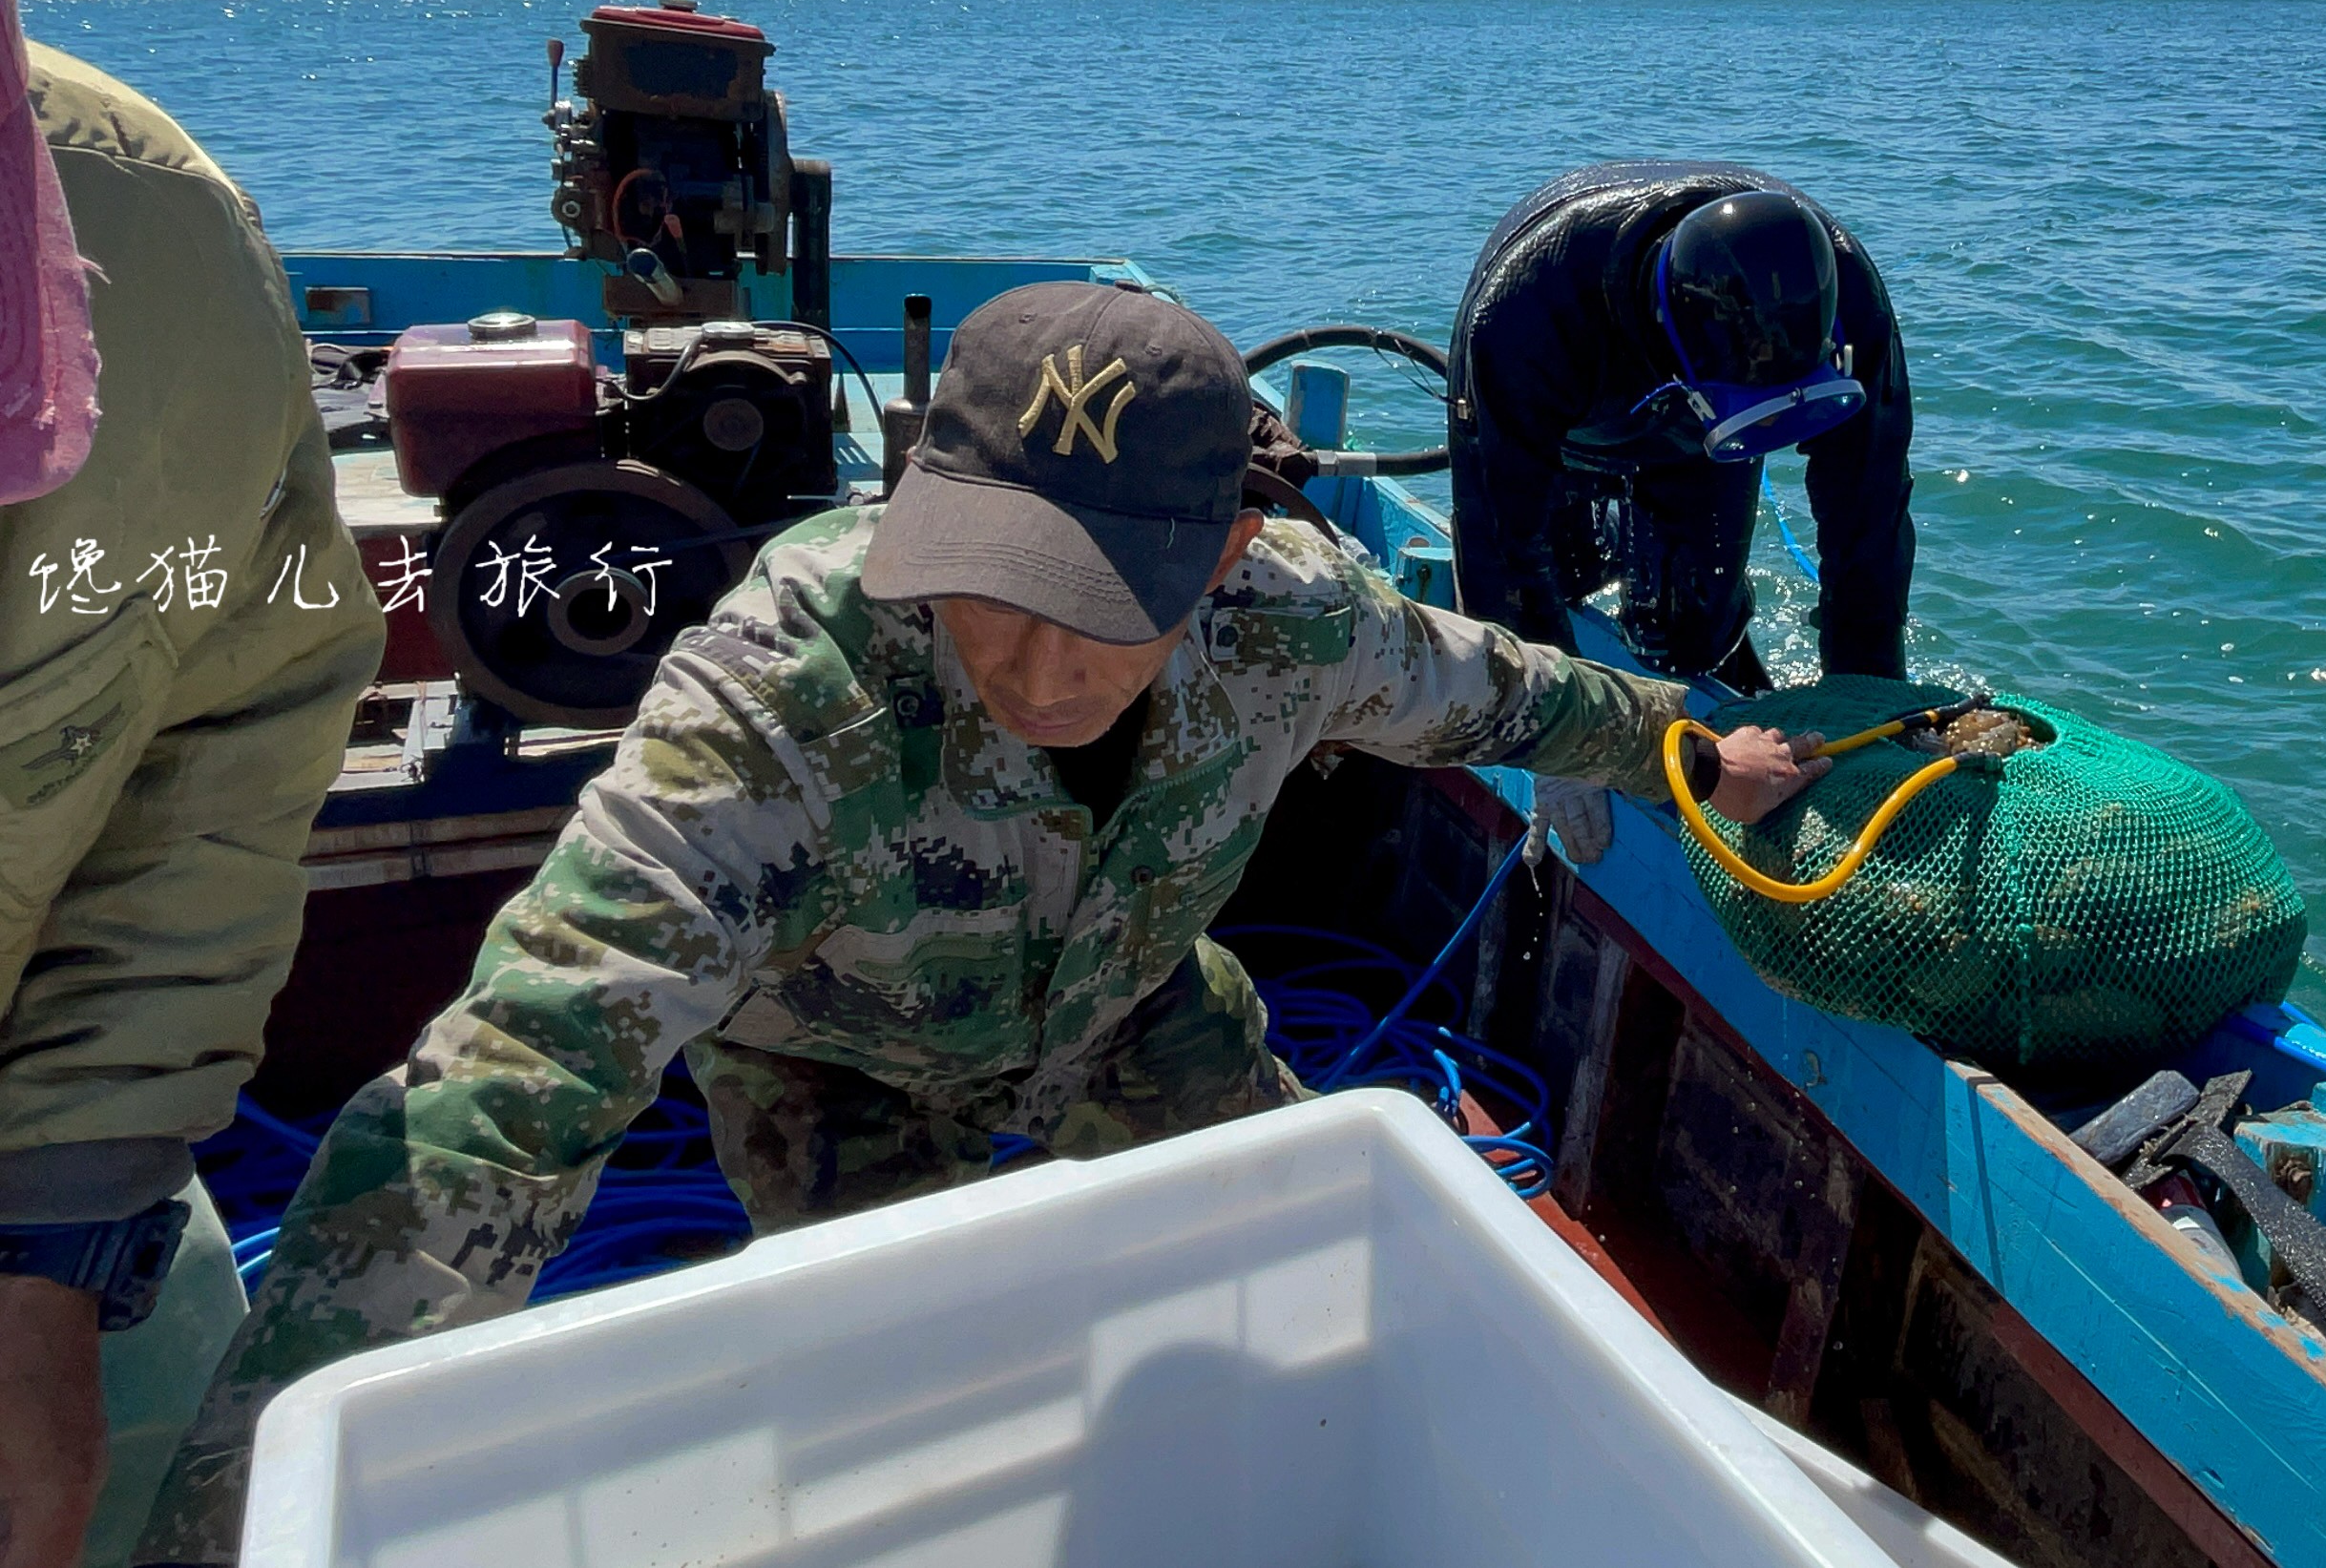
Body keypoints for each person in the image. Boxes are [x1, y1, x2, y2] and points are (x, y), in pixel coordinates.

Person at [139, 280, 1826, 1561]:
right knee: (893, 1431)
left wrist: (1693, 747)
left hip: (1136, 1010)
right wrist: (243, 1503)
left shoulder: (1295, 625)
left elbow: (1499, 695)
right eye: (989, 592)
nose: (1027, 670)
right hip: (838, 1082)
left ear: (1227, 550)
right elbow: (520, 1070)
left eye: (1093, 618)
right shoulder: (788, 680)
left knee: (1316, 1281)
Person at [0, 0, 383, 1568]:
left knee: (192, 1432)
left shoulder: (152, 230)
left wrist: (53, 1245)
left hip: (48, 1158)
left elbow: (228, 717)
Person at [1446, 162, 1912, 859]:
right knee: (1554, 589)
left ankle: (1725, 674)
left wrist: (1870, 697)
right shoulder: (1523, 315)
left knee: (1689, 637)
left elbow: (1868, 518)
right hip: (1570, 420)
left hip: (1709, 434)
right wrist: (1560, 747)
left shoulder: (1851, 297)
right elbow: (1497, 550)